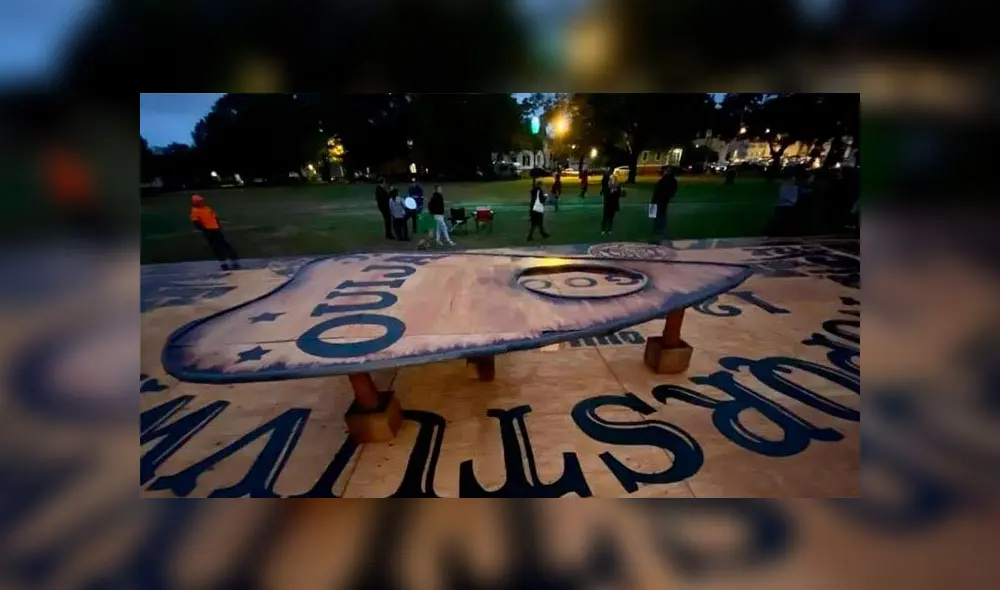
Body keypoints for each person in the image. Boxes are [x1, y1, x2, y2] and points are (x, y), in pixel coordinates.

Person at [190, 194, 240, 270]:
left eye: (202, 200)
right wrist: (205, 230)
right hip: (208, 231)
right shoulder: (195, 211)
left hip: (216, 229)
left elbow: (215, 217)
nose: (202, 201)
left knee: (225, 245)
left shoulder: (207, 208)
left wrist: (219, 226)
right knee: (216, 248)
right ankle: (223, 264)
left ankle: (234, 261)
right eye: (200, 201)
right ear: (195, 202)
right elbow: (196, 223)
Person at [650, 166, 677, 243]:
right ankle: (657, 229)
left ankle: (659, 230)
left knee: (660, 215)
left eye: (666, 171)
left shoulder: (670, 180)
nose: (664, 172)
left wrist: (663, 197)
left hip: (661, 200)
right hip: (657, 200)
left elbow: (670, 192)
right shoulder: (664, 179)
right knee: (656, 215)